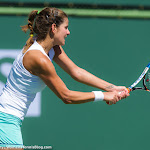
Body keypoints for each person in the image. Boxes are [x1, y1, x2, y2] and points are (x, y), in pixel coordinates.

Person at [0, 7, 129, 150]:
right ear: (54, 28)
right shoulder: (39, 59)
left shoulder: (49, 47)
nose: (68, 32)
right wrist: (104, 96)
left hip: (8, 118)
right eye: (66, 27)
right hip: (5, 119)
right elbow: (66, 96)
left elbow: (76, 72)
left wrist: (111, 88)